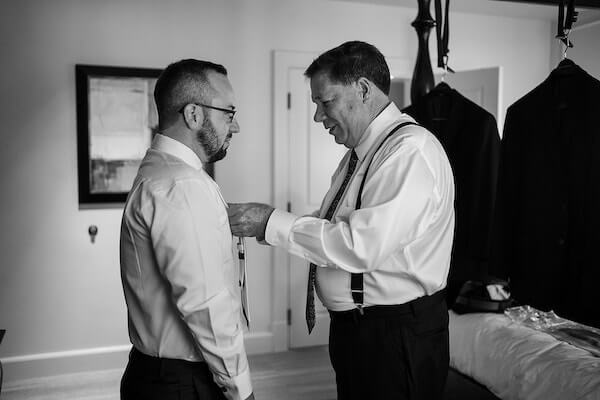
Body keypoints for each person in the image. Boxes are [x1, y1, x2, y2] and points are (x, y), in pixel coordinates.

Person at [228, 41, 455, 400]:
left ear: (362, 90)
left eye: (325, 102)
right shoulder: (361, 156)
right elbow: (332, 224)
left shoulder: (408, 152)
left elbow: (360, 245)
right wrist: (266, 225)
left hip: (394, 334)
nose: (318, 117)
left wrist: (272, 222)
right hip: (361, 333)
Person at [119, 59, 255, 400]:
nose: (234, 126)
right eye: (228, 112)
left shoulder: (159, 171)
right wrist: (242, 390)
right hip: (181, 385)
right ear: (194, 115)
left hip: (156, 375)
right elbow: (205, 305)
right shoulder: (182, 184)